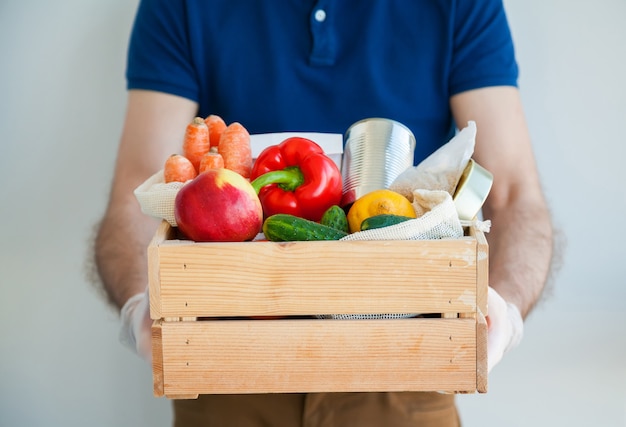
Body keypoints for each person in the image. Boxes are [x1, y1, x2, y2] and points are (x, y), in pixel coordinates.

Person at [94, 1, 554, 426]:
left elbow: (513, 192)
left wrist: (505, 310)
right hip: (230, 369)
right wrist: (140, 303)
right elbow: (141, 189)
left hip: (405, 371)